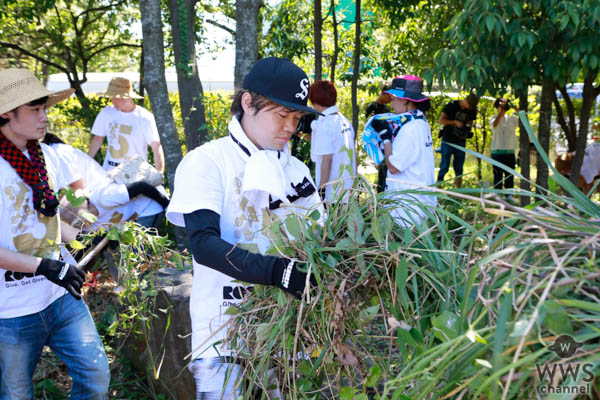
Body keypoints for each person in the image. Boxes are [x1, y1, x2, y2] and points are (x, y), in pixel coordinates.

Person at [166, 57, 323, 399]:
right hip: (222, 334)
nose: (290, 128)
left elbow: (318, 241)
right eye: (282, 115)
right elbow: (204, 243)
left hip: (286, 332)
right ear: (248, 102)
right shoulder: (208, 161)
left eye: (297, 119)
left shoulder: (296, 171)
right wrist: (276, 271)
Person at [0, 68, 109, 398]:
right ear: (6, 113)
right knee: (16, 394)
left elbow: (76, 197)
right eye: (35, 110)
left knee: (96, 377)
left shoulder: (47, 156)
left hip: (61, 298)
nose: (44, 117)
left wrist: (77, 216)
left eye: (44, 108)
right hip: (10, 312)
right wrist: (46, 267)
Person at [43, 133, 169, 229]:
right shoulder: (86, 224)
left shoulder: (102, 198)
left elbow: (141, 187)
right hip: (131, 212)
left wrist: (166, 204)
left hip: (149, 207)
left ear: (84, 208)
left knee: (139, 254)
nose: (74, 218)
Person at [371, 75, 436, 227]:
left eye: (394, 99)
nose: (392, 105)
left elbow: (394, 167)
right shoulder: (421, 123)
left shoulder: (409, 129)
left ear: (405, 100)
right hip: (421, 204)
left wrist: (385, 138)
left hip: (407, 212)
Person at [88, 77, 165, 174]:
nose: (113, 101)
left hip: (136, 173)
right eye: (111, 97)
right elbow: (98, 138)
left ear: (127, 97)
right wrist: (87, 161)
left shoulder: (144, 118)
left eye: (116, 97)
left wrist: (159, 173)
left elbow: (156, 146)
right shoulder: (106, 113)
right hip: (109, 172)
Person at [308, 80, 356, 202]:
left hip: (332, 193)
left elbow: (327, 159)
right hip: (347, 188)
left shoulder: (326, 124)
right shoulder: (344, 121)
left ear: (314, 100)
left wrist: (321, 191)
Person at [437, 93, 479, 188]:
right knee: (444, 166)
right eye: (469, 106)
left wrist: (467, 129)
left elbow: (470, 123)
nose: (469, 109)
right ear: (466, 101)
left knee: (459, 168)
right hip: (448, 140)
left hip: (461, 141)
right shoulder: (452, 105)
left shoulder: (472, 111)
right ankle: (438, 188)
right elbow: (441, 120)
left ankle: (458, 191)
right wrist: (455, 122)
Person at [365, 85, 392, 193]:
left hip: (386, 142)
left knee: (385, 173)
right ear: (384, 93)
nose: (390, 100)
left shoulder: (386, 108)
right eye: (389, 96)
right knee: (382, 172)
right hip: (376, 143)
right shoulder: (373, 107)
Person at [490, 98, 518, 195]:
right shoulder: (493, 117)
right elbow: (494, 124)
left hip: (510, 151)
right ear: (497, 106)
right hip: (497, 152)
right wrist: (500, 112)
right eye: (500, 105)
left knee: (509, 175)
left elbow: (523, 122)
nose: (502, 107)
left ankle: (509, 196)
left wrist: (516, 109)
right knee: (497, 175)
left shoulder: (512, 118)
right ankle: (497, 196)